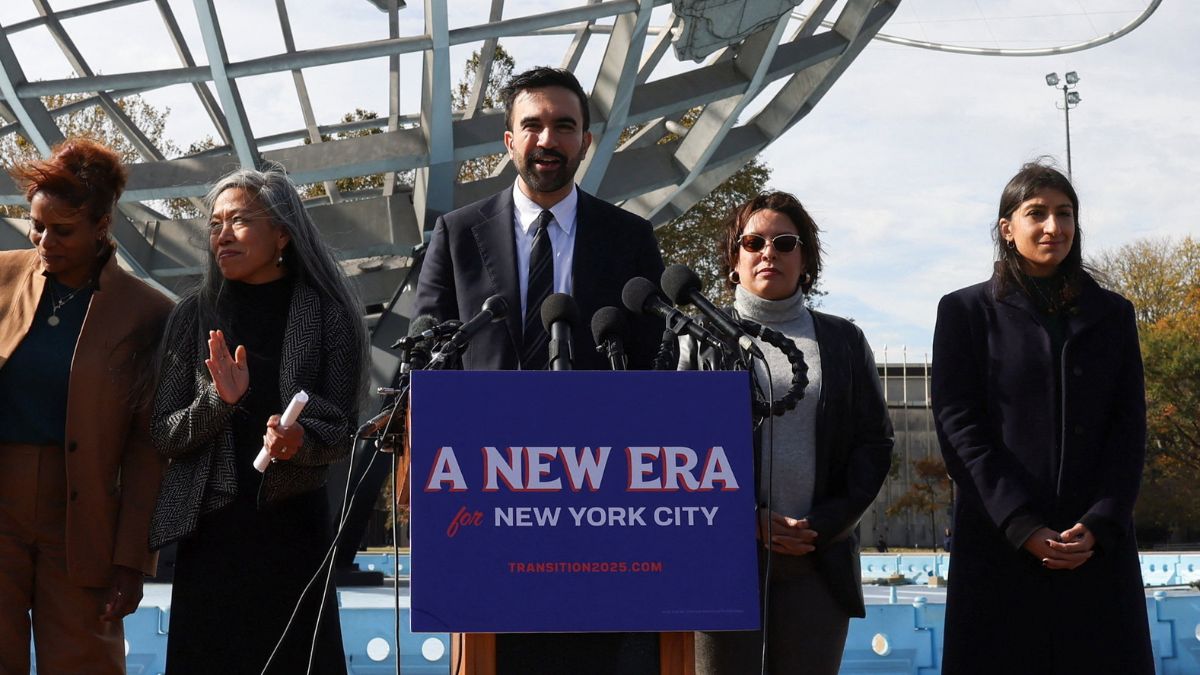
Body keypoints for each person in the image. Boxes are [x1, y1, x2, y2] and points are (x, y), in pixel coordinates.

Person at [414, 66, 665, 674]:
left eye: (564, 126)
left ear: (585, 140)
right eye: (532, 125)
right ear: (508, 139)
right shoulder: (456, 234)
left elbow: (653, 362)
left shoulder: (630, 238)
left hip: (601, 505)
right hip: (484, 498)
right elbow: (426, 351)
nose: (547, 139)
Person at [932, 161, 1153, 674]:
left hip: (1093, 548)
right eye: (1037, 213)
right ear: (1007, 229)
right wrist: (1021, 523)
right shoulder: (966, 312)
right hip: (1000, 543)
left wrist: (1100, 523)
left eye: (1065, 213)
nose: (1054, 227)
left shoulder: (1113, 314)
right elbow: (959, 426)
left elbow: (1128, 429)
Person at [148, 166, 367, 674]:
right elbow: (163, 431)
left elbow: (341, 429)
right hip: (212, 531)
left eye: (240, 221)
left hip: (294, 528)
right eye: (215, 224)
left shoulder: (331, 314)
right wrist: (219, 403)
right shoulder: (194, 315)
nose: (222, 234)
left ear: (283, 234)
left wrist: (298, 441)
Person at [681, 191, 893, 675]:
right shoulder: (695, 339)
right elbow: (679, 452)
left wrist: (825, 522)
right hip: (722, 562)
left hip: (817, 561)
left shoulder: (844, 340)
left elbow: (874, 444)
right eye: (752, 242)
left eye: (784, 242)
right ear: (733, 261)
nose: (768, 252)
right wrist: (744, 518)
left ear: (806, 261)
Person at [0, 138, 172, 674]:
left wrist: (132, 561)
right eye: (37, 224)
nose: (44, 239)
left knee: (83, 663)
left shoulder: (149, 313)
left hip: (85, 521)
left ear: (102, 225)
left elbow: (148, 449)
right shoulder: (1, 277)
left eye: (62, 229)